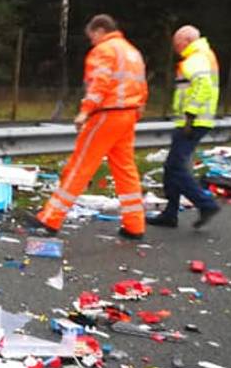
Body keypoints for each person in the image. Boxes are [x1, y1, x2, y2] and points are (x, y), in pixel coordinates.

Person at [28, 14, 149, 239]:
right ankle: (135, 225)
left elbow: (99, 83)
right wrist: (138, 107)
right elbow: (141, 85)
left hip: (106, 114)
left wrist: (85, 110)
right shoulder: (132, 52)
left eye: (92, 36)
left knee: (80, 166)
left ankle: (50, 219)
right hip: (128, 114)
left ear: (100, 30)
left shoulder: (104, 50)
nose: (91, 41)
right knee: (126, 171)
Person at [148, 25, 221, 229]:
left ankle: (205, 204)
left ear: (186, 40)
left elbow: (203, 86)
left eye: (176, 42)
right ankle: (170, 213)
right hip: (195, 120)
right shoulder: (203, 55)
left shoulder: (196, 58)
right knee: (173, 168)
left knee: (176, 167)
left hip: (193, 122)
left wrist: (190, 113)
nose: (175, 47)